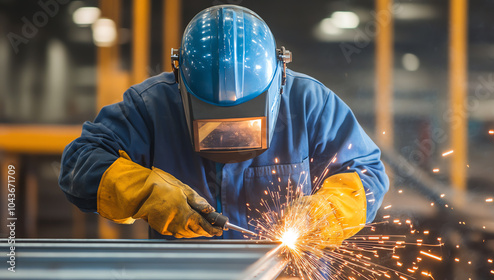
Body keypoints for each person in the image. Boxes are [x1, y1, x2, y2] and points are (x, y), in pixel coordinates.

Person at [59, 5, 389, 241]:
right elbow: (79, 165)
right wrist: (146, 192)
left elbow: (368, 174)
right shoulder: (151, 108)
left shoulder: (309, 105)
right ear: (181, 84)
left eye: (243, 124)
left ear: (278, 79)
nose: (229, 136)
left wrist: (327, 212)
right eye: (215, 126)